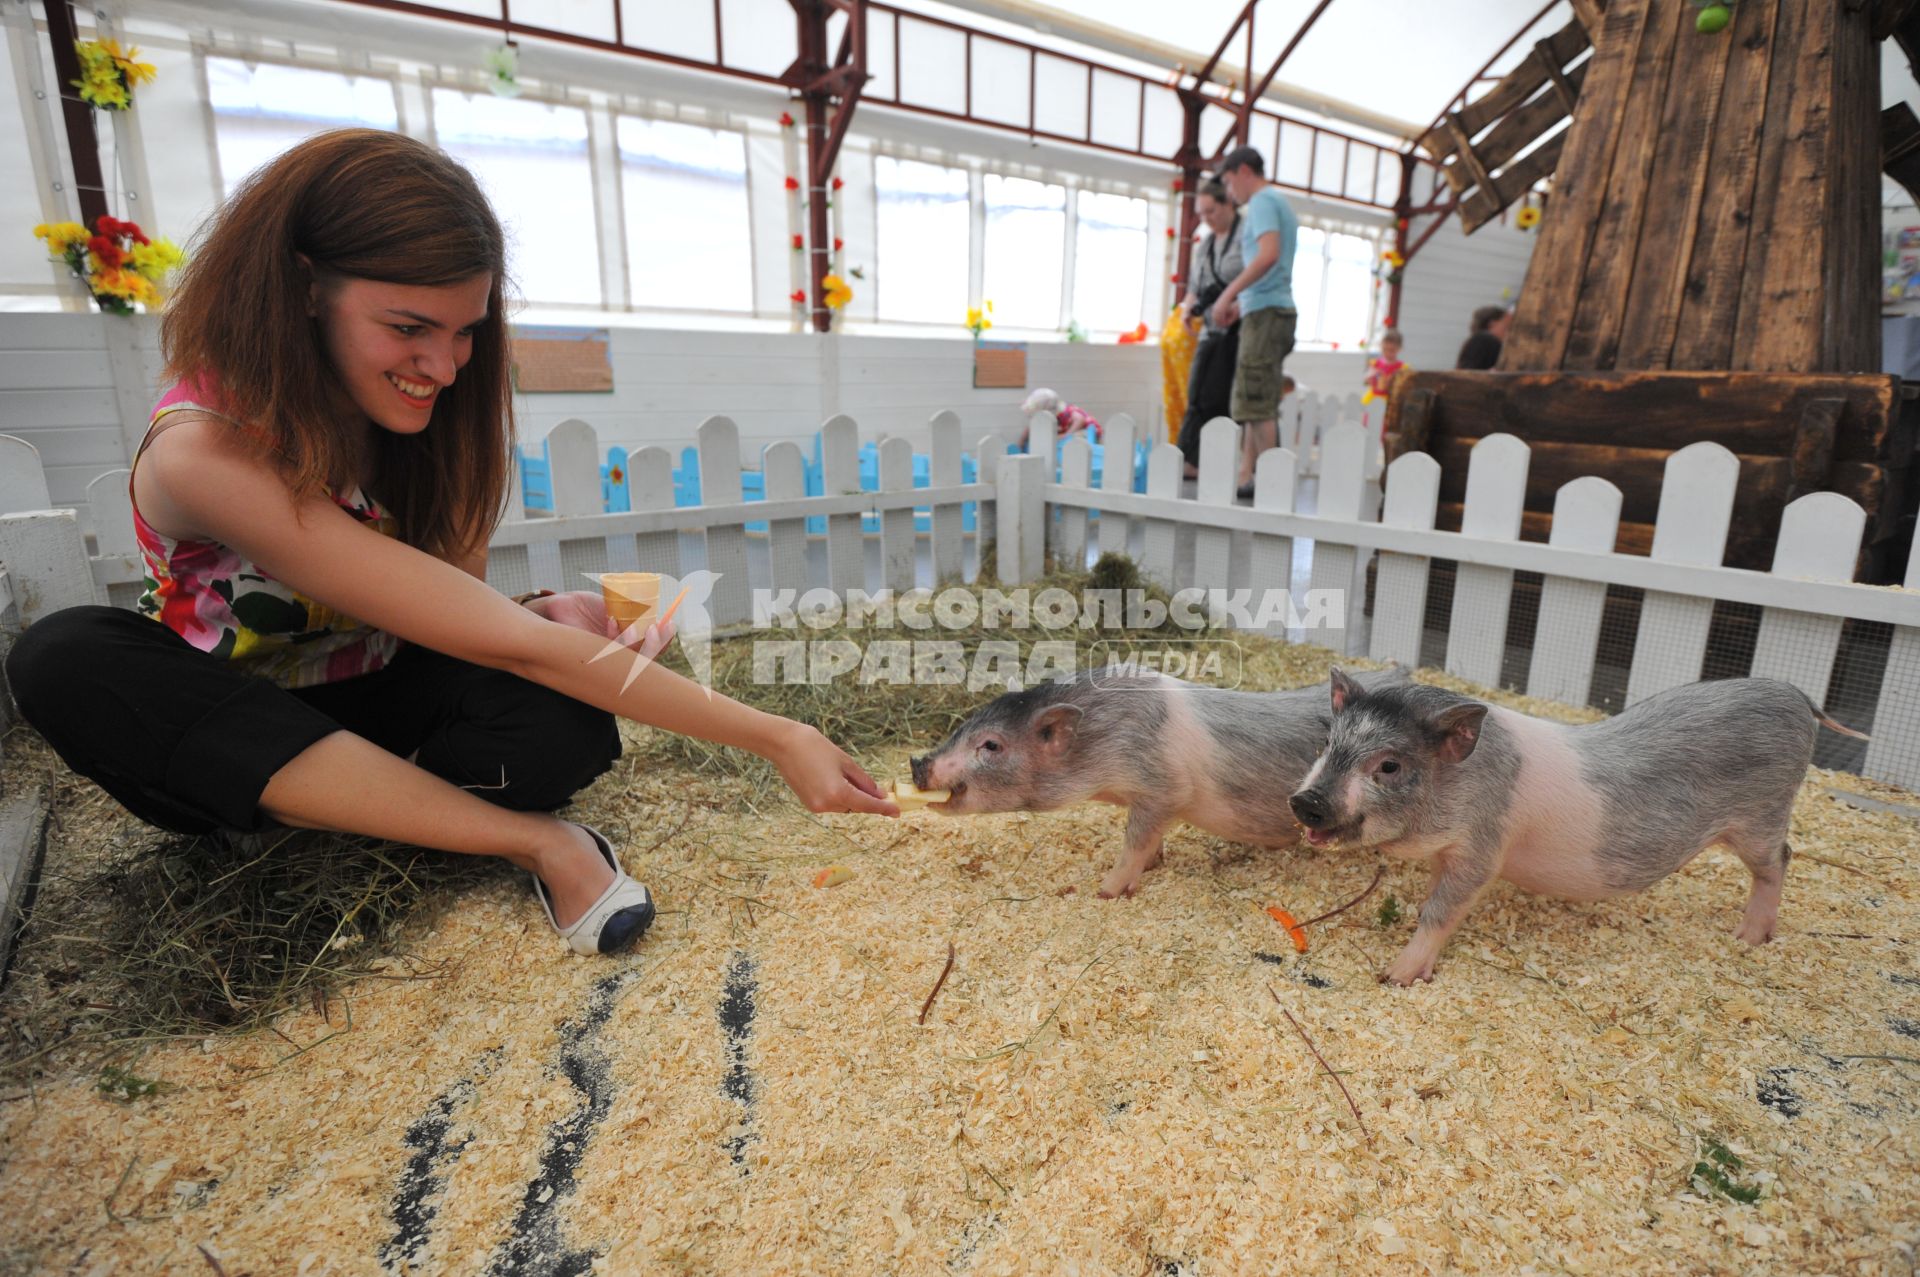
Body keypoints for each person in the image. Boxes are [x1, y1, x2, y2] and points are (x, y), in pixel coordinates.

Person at [2, 129, 897, 960]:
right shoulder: (207, 447)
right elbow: (501, 641)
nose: (445, 364)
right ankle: (533, 842)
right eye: (408, 328)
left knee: (561, 725)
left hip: (380, 690)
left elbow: (456, 617)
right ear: (304, 289)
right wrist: (780, 734)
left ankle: (369, 811)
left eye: (465, 330)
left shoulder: (427, 418)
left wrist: (541, 612)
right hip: (242, 716)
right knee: (65, 655)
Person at [1208, 146, 1299, 500]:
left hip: (1267, 312)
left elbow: (1268, 254)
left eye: (1230, 184)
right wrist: (1242, 305)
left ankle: (1273, 483)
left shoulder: (1262, 201)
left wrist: (1227, 294)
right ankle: (1247, 474)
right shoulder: (1278, 202)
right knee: (1251, 396)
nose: (1231, 194)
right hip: (1264, 309)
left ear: (1244, 171)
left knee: (1257, 402)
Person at [1175, 178, 1243, 478]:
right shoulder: (1205, 244)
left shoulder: (1247, 237)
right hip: (1209, 332)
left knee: (1218, 398)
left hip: (1237, 332)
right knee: (1196, 394)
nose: (1206, 219)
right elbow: (1195, 287)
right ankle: (1190, 458)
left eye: (1211, 211)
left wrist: (1233, 303)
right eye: (1202, 214)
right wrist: (1187, 308)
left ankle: (1214, 463)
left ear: (1228, 204)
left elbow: (1259, 281)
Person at [1018, 387, 1101, 451]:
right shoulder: (1039, 419)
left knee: (1074, 438)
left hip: (1086, 430)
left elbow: (1080, 419)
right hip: (1066, 430)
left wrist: (1067, 435)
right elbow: (1030, 427)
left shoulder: (1065, 412)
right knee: (1052, 438)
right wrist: (1021, 441)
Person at [1363, 328, 1407, 436]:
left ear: (1399, 349)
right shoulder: (1376, 364)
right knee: (1368, 423)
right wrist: (1369, 378)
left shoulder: (1401, 367)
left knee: (1385, 427)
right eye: (1385, 349)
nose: (1388, 353)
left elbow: (1403, 386)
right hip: (1374, 397)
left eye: (1392, 350)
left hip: (1390, 400)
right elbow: (1366, 381)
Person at [1456, 305, 1510, 370]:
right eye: (1507, 326)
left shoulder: (1479, 340)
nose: (1509, 332)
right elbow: (1468, 371)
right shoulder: (1485, 339)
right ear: (1492, 324)